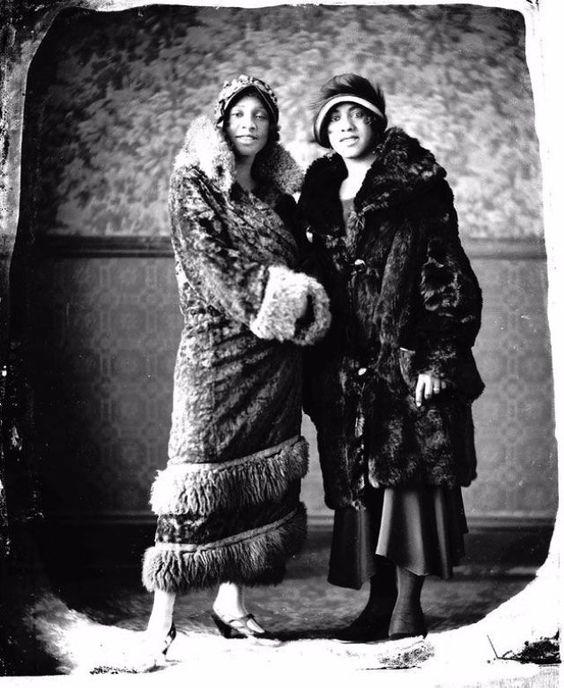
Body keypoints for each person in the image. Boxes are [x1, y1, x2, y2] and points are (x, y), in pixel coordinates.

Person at [141, 74, 331, 659]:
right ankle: (162, 614)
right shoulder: (195, 180)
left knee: (255, 473)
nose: (250, 124)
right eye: (240, 114)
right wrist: (284, 302)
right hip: (216, 349)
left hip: (274, 358)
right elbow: (210, 267)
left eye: (262, 115)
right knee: (197, 477)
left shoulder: (278, 195)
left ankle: (232, 600)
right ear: (223, 121)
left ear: (273, 127)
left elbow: (300, 253)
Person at [298, 73, 484, 641]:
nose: (344, 126)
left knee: (410, 485)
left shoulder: (417, 187)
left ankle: (408, 607)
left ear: (376, 119)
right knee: (364, 490)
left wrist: (437, 359)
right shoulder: (320, 193)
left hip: (405, 361)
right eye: (332, 118)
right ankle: (377, 603)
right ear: (322, 130)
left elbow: (450, 278)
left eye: (354, 114)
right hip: (346, 367)